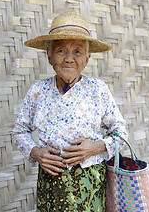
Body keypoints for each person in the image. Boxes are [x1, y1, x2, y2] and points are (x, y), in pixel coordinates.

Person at [13, 11, 127, 212]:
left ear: (87, 58)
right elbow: (20, 131)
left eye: (77, 51)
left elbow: (120, 134)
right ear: (49, 56)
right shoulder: (38, 91)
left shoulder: (97, 90)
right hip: (51, 185)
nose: (69, 58)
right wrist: (36, 153)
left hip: (90, 185)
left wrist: (95, 147)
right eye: (60, 51)